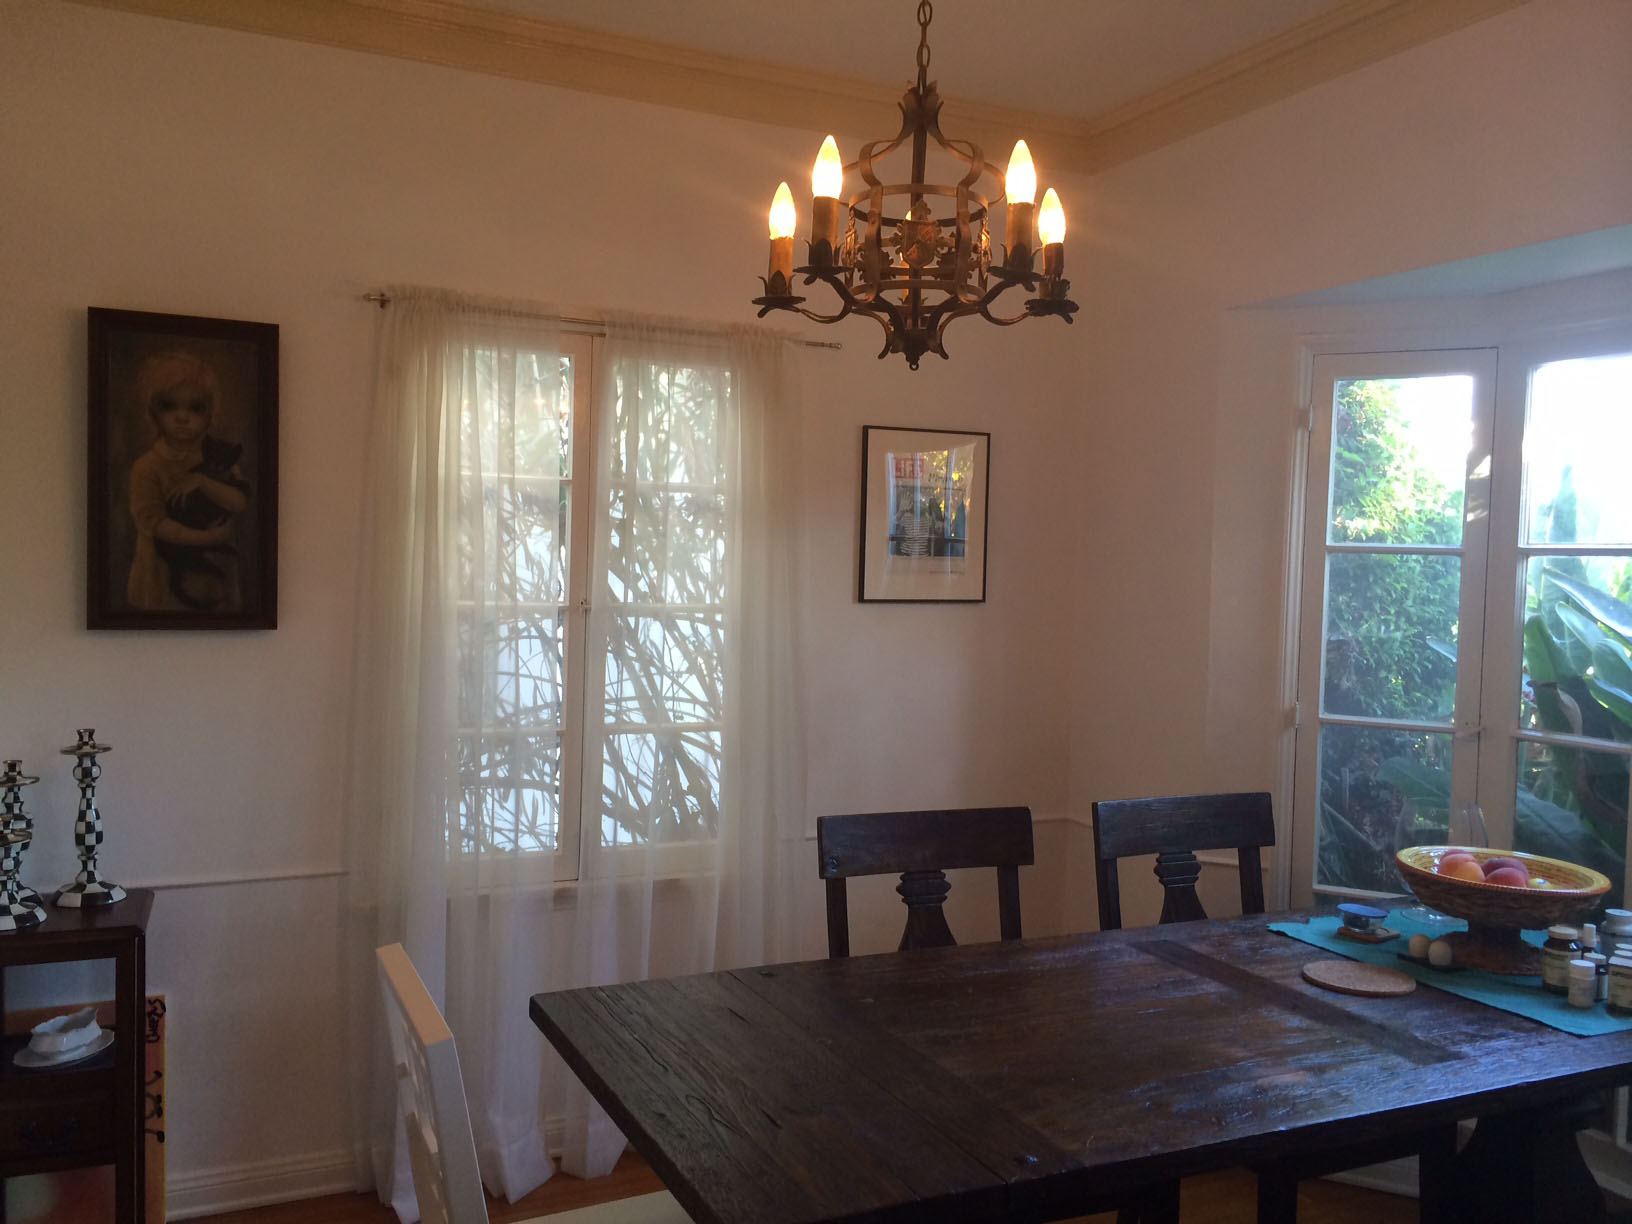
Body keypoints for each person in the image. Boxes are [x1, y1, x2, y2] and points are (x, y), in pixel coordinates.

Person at [125, 350, 249, 611]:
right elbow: (152, 522)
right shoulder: (147, 466)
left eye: (195, 407)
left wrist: (203, 482)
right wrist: (208, 538)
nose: (182, 417)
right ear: (154, 412)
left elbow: (240, 503)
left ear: (210, 414)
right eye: (169, 406)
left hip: (215, 572)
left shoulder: (219, 457)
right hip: (163, 575)